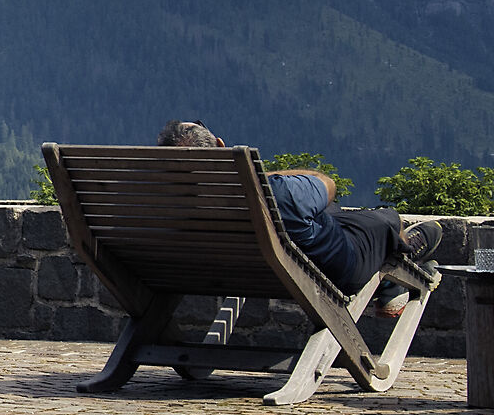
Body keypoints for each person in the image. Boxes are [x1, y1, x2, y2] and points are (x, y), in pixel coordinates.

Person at [158, 120, 439, 302]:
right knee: (385, 219)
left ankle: (390, 285)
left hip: (232, 278)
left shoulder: (168, 207)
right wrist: (261, 178)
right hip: (331, 269)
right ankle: (405, 255)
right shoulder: (275, 193)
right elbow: (328, 185)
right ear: (220, 145)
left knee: (331, 214)